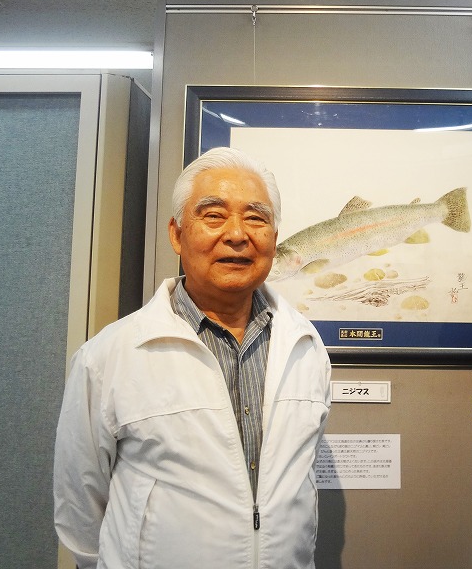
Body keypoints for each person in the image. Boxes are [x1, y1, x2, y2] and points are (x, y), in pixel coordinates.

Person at [54, 147, 331, 569]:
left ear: (274, 237)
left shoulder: (306, 346)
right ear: (177, 234)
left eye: (256, 218)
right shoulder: (110, 355)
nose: (237, 234)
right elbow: (80, 501)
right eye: (214, 215)